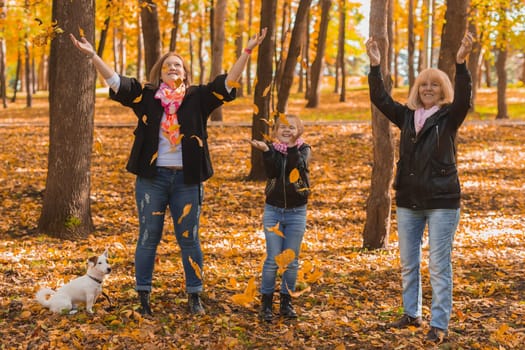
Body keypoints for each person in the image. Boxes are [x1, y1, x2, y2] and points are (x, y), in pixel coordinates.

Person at [70, 28, 267, 316]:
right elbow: (115, 82)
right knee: (149, 237)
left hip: (187, 180)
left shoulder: (198, 97)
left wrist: (247, 51)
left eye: (178, 65)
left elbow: (229, 83)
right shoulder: (148, 96)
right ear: (159, 73)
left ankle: (194, 295)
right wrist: (94, 56)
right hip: (152, 179)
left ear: (185, 73)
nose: (172, 68)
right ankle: (143, 295)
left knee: (189, 238)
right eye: (167, 65)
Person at [365, 32, 473, 343]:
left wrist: (461, 64)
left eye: (434, 84)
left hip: (442, 201)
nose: (428, 88)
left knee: (439, 265)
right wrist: (375, 66)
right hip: (408, 201)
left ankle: (438, 324)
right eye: (423, 84)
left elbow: (464, 97)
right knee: (408, 262)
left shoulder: (449, 117)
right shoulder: (408, 116)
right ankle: (411, 314)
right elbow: (381, 99)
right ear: (417, 89)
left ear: (443, 90)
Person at [249, 114, 311, 322]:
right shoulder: (273, 150)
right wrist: (267, 152)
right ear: (275, 131)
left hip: (296, 212)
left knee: (291, 261)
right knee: (272, 260)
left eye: (292, 127)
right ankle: (266, 302)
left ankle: (286, 301)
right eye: (283, 127)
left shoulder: (304, 149)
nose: (287, 130)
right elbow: (273, 171)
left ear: (299, 131)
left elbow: (297, 167)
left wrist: (292, 146)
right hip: (274, 211)